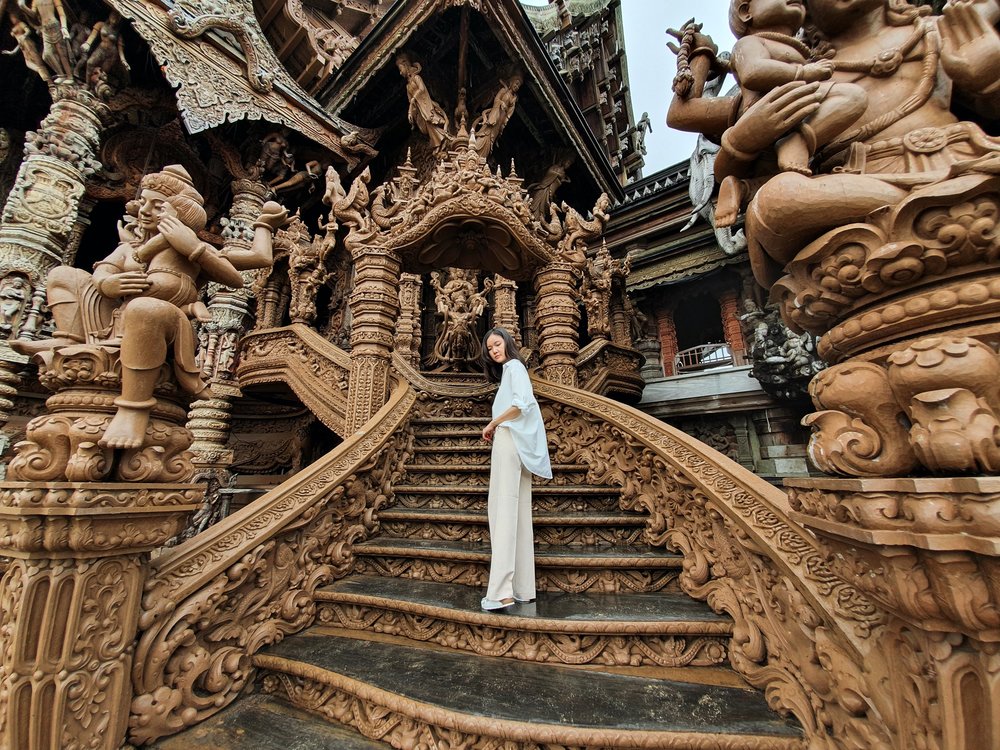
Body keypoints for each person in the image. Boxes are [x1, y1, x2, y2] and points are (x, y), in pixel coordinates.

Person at [479, 327, 552, 611]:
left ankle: (500, 592)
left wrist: (493, 423)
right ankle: (522, 588)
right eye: (490, 349)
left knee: (503, 511)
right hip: (517, 443)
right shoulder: (514, 370)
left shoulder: (513, 368)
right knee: (517, 513)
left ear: (508, 343)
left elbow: (521, 405)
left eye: (497, 344)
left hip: (509, 440)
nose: (494, 351)